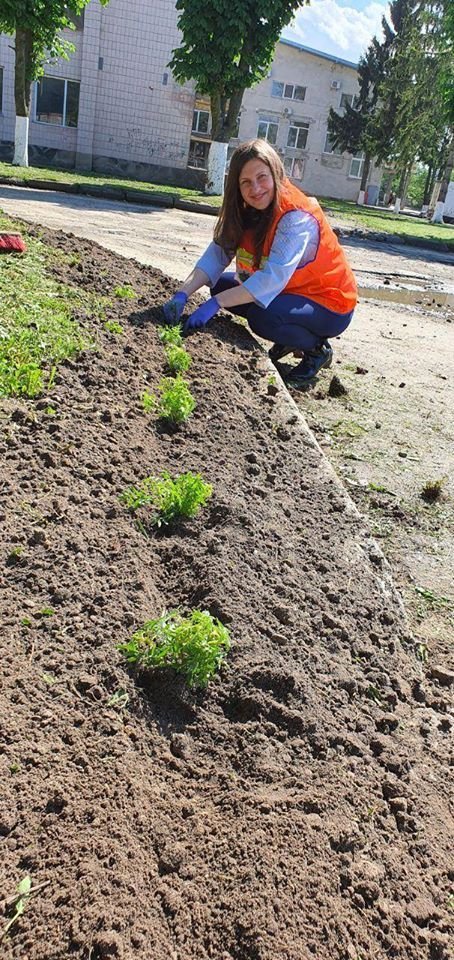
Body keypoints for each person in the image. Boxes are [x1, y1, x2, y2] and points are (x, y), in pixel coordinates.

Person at [162, 139, 357, 386]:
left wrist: (216, 304)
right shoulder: (246, 210)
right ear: (237, 186)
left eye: (262, 177)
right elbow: (217, 254)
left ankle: (317, 350)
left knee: (262, 318)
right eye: (246, 182)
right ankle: (290, 337)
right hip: (291, 292)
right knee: (220, 286)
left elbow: (271, 279)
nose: (255, 188)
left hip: (329, 302)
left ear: (275, 173)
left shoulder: (295, 217)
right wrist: (182, 293)